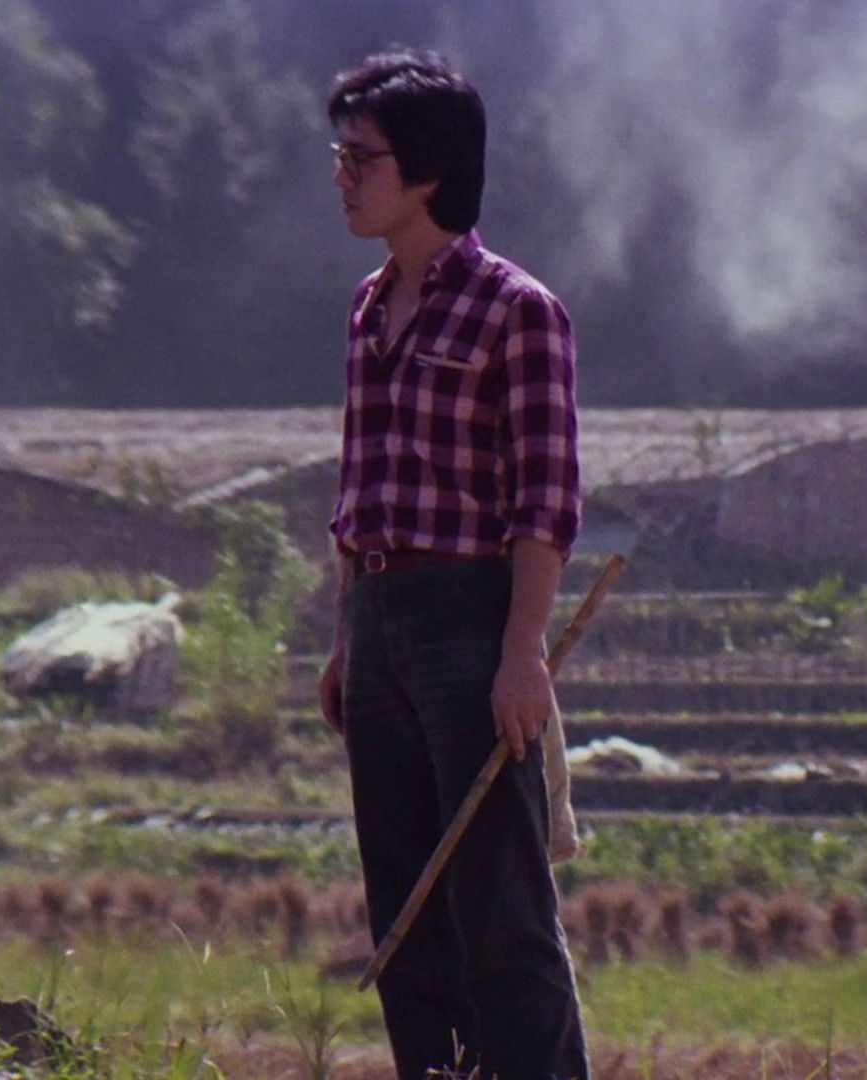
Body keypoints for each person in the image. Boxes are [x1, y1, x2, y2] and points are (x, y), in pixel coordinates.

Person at [317, 50, 590, 1080]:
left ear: (428, 173)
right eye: (340, 154)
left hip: (470, 625)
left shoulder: (517, 310)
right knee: (404, 901)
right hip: (380, 620)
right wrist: (346, 640)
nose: (343, 176)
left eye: (363, 157)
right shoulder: (366, 306)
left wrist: (523, 655)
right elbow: (361, 487)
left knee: (499, 905)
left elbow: (544, 501)